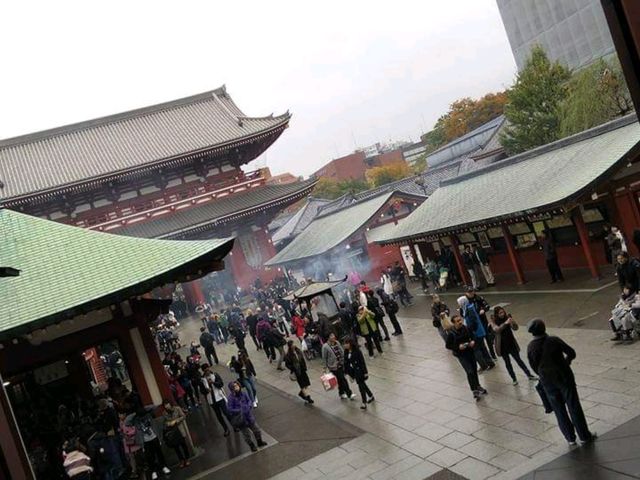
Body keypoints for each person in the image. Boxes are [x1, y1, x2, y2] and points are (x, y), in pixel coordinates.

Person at [527, 319, 596, 446]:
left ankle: (570, 438)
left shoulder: (531, 347)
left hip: (547, 382)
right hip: (564, 377)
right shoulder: (553, 340)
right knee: (573, 406)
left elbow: (534, 366)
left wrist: (543, 374)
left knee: (559, 410)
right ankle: (584, 436)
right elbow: (571, 353)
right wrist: (566, 361)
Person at [445, 314, 488, 401]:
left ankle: (478, 386)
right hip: (461, 355)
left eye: (460, 320)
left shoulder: (466, 328)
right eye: (457, 321)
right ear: (454, 323)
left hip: (470, 352)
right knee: (469, 371)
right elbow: (448, 345)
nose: (460, 322)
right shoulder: (451, 334)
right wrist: (458, 347)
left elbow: (473, 337)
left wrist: (472, 341)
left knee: (474, 370)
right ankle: (474, 390)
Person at [490, 307, 537, 385]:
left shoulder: (507, 318)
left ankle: (529, 374)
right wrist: (505, 323)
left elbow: (515, 328)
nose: (502, 314)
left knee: (519, 360)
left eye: (503, 312)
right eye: (500, 313)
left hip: (511, 343)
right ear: (496, 314)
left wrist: (512, 321)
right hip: (502, 345)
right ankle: (513, 378)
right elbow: (497, 330)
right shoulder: (493, 321)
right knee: (508, 363)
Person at [126, 407, 170, 480]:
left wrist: (145, 408)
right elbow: (127, 422)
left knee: (159, 454)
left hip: (154, 438)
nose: (142, 416)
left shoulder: (149, 415)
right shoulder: (136, 420)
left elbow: (154, 407)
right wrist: (134, 413)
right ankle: (153, 471)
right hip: (145, 442)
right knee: (150, 458)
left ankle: (164, 467)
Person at [226, 381, 268, 452]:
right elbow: (230, 409)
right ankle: (252, 446)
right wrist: (239, 410)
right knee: (246, 435)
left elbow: (249, 401)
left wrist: (249, 406)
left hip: (249, 416)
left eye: (237, 385)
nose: (236, 387)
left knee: (256, 430)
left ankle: (259, 442)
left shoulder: (243, 393)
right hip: (241, 419)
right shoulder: (230, 398)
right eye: (234, 386)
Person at [457, 296, 495, 371]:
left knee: (478, 349)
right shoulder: (467, 308)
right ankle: (489, 363)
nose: (459, 305)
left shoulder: (469, 309)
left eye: (459, 303)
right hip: (477, 332)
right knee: (482, 348)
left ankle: (486, 364)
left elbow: (473, 322)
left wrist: (470, 330)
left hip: (476, 333)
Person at [465, 287, 497, 360]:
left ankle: (493, 354)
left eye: (472, 291)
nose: (471, 293)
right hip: (475, 324)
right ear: (466, 293)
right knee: (480, 341)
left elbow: (487, 306)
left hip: (483, 321)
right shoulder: (465, 301)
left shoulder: (478, 298)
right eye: (469, 292)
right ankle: (486, 357)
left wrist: (483, 310)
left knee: (488, 338)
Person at [321, 332, 355, 400]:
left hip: (341, 364)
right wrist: (324, 368)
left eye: (333, 335)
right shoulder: (325, 347)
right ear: (328, 338)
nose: (333, 336)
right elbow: (324, 358)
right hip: (334, 367)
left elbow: (342, 352)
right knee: (343, 379)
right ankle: (349, 393)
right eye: (331, 336)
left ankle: (341, 393)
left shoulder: (337, 342)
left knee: (340, 380)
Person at [344, 337, 375, 410]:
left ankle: (364, 402)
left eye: (347, 343)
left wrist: (365, 372)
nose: (345, 345)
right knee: (363, 384)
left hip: (359, 371)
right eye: (345, 344)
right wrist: (346, 372)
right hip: (353, 372)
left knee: (361, 386)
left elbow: (362, 362)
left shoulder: (357, 351)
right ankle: (371, 395)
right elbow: (346, 363)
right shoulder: (346, 352)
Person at [162, 399, 190, 468]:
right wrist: (168, 423)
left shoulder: (177, 408)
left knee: (183, 445)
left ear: (170, 403)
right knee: (176, 447)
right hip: (172, 432)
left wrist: (176, 421)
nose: (166, 406)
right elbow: (164, 422)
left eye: (167, 404)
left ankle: (187, 458)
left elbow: (183, 416)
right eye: (165, 405)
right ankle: (181, 460)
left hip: (179, 429)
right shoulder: (164, 413)